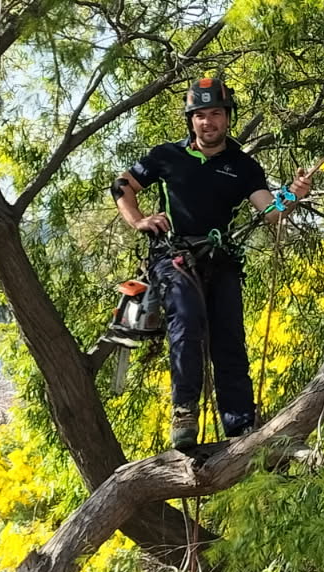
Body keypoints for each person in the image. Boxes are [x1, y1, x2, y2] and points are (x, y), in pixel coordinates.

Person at [111, 77, 310, 449]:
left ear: (227, 117)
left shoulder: (242, 165)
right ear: (190, 120)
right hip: (173, 257)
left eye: (215, 114)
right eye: (199, 115)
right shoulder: (165, 156)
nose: (207, 122)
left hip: (219, 260)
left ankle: (240, 424)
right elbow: (122, 185)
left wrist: (293, 197)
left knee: (229, 340)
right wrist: (138, 219)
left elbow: (270, 210)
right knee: (186, 322)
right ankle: (185, 410)